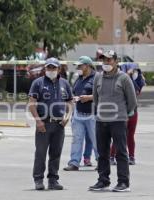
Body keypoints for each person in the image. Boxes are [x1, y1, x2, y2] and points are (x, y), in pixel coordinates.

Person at [89, 50, 137, 192]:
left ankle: (123, 182)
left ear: (116, 61)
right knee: (102, 153)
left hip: (118, 120)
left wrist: (123, 114)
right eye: (104, 60)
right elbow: (96, 99)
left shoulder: (124, 78)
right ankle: (103, 181)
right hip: (101, 120)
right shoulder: (98, 78)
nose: (106, 63)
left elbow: (132, 101)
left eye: (109, 60)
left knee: (121, 152)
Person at [28, 57, 73, 190]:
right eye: (49, 67)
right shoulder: (38, 83)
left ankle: (53, 180)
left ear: (59, 69)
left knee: (56, 153)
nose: (51, 70)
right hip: (44, 124)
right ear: (45, 68)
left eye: (54, 68)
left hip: (59, 124)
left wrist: (67, 116)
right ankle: (38, 179)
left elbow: (70, 102)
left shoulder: (64, 83)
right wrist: (38, 121)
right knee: (41, 153)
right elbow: (31, 103)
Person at [63, 56, 98, 171]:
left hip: (92, 114)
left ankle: (102, 162)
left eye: (80, 65)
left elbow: (103, 94)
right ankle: (74, 163)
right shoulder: (79, 78)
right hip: (78, 114)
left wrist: (89, 97)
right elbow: (74, 92)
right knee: (77, 139)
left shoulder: (97, 78)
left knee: (96, 139)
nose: (78, 68)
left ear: (87, 66)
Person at [110, 63, 145, 165]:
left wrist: (132, 75)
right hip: (121, 111)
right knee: (118, 135)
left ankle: (132, 157)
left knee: (130, 135)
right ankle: (112, 156)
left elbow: (137, 91)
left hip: (132, 111)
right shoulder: (118, 79)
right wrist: (127, 74)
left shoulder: (136, 81)